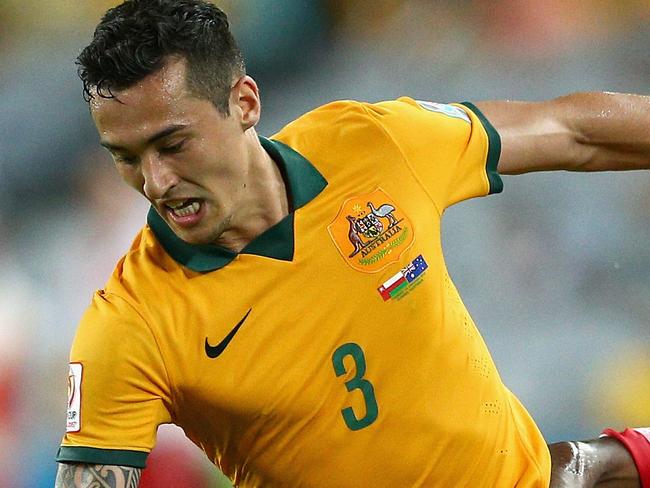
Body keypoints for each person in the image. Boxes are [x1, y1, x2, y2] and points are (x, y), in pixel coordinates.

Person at [54, 0, 649, 487]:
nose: (154, 182)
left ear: (244, 103)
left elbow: (570, 131)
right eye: (126, 158)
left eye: (173, 144)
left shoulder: (370, 145)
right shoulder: (131, 326)